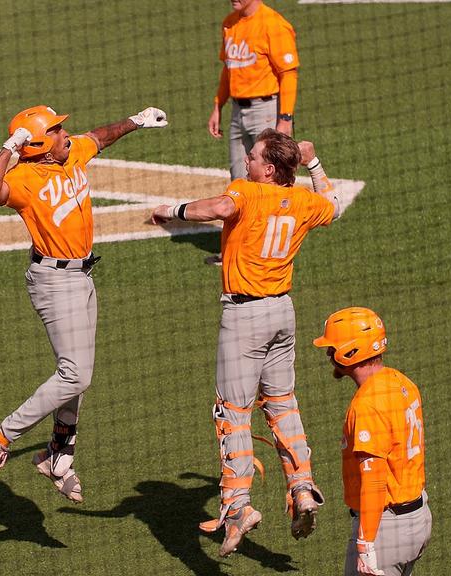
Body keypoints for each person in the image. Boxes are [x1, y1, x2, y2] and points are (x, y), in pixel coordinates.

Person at [151, 129, 339, 556]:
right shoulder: (307, 202)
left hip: (244, 317)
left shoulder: (248, 192)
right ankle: (302, 486)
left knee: (232, 411)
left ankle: (238, 506)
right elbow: (335, 204)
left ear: (268, 169)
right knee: (282, 403)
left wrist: (171, 209)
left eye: (253, 156)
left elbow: (218, 207)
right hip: (282, 314)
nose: (247, 160)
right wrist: (314, 162)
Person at [0, 104, 168, 503]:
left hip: (82, 276)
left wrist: (137, 119)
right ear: (42, 146)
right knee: (75, 374)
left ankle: (58, 455)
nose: (68, 134)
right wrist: (11, 146)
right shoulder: (24, 179)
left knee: (77, 371)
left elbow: (100, 137)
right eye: (59, 131)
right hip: (54, 282)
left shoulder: (71, 152)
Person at [313, 307, 432, 576]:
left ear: (350, 352)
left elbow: (375, 481)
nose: (328, 354)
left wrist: (365, 544)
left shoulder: (367, 405)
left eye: (333, 348)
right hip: (418, 517)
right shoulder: (401, 382)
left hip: (385, 530)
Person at [205, 0, 300, 266]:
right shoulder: (230, 22)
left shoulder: (274, 24)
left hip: (266, 109)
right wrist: (217, 106)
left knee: (270, 182)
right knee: (239, 181)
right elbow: (228, 69)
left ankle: (273, 249)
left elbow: (288, 74)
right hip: (237, 110)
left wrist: (285, 119)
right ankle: (235, 251)